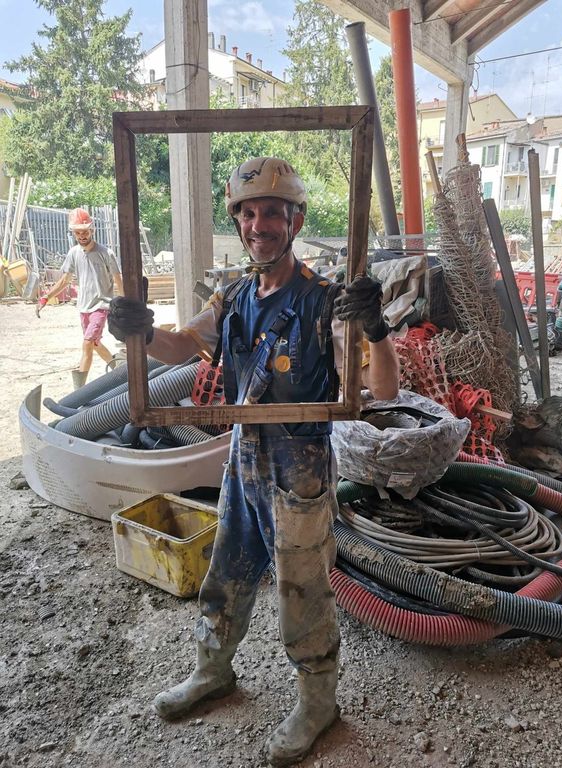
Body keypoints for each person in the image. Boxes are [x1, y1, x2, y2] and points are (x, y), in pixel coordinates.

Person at [107, 157, 399, 766]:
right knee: (228, 571)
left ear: (295, 222)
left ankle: (318, 702)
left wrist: (375, 328)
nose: (258, 225)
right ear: (238, 222)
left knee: (301, 589)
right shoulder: (236, 295)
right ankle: (213, 671)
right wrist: (139, 331)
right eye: (247, 214)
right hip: (243, 457)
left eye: (271, 213)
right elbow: (182, 346)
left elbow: (384, 388)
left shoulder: (326, 302)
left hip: (300, 467)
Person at [37, 208, 124, 389]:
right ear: (74, 233)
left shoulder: (106, 253)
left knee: (87, 343)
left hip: (101, 306)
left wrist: (125, 304)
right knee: (95, 344)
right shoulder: (74, 253)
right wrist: (45, 298)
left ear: (92, 230)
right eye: (78, 232)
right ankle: (119, 371)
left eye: (85, 231)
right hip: (83, 307)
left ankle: (79, 391)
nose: (82, 235)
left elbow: (118, 280)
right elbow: (65, 280)